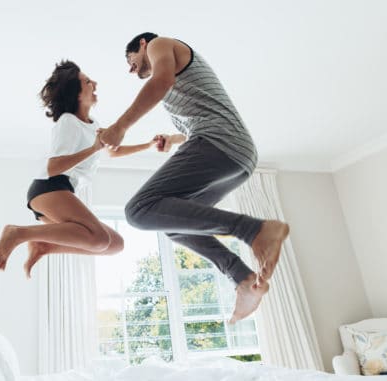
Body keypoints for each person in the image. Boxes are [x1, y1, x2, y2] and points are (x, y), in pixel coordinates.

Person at [98, 33, 290, 323]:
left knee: (138, 211)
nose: (131, 69)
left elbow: (160, 83)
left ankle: (254, 230)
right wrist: (171, 139)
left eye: (131, 61)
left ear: (141, 45)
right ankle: (242, 279)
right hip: (238, 156)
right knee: (175, 227)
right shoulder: (177, 76)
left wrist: (120, 126)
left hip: (219, 143)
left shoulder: (158, 43)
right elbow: (194, 120)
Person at [0, 60, 161, 278]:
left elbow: (113, 151)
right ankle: (18, 233)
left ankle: (44, 246)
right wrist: (93, 148)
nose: (95, 84)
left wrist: (149, 145)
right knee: (99, 238)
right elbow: (53, 167)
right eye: (87, 81)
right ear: (76, 93)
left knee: (114, 245)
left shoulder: (92, 124)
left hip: (60, 191)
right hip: (50, 187)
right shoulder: (68, 121)